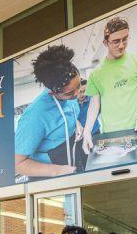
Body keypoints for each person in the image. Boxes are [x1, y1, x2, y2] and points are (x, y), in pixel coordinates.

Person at [81, 17, 137, 153]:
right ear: (105, 42)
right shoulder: (96, 74)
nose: (121, 45)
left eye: (125, 39)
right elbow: (94, 104)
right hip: (111, 135)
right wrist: (87, 130)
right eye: (116, 41)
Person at [15, 45, 86, 178]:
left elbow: (63, 117)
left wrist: (75, 123)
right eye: (70, 93)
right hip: (50, 176)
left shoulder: (70, 96)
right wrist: (57, 171)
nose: (77, 94)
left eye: (79, 85)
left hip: (74, 160)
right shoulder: (35, 116)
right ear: (53, 92)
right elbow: (18, 163)